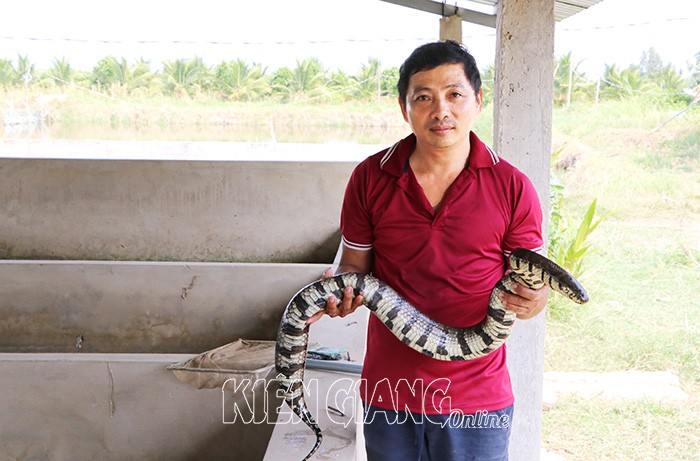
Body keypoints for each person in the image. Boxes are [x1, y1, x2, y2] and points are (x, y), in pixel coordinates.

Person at [310, 40, 549, 461]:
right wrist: (339, 292)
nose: (441, 110)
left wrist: (535, 298)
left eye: (454, 94)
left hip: (478, 397)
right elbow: (353, 266)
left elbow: (530, 281)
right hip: (390, 392)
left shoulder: (512, 186)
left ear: (477, 100)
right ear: (405, 108)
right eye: (424, 97)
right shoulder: (370, 177)